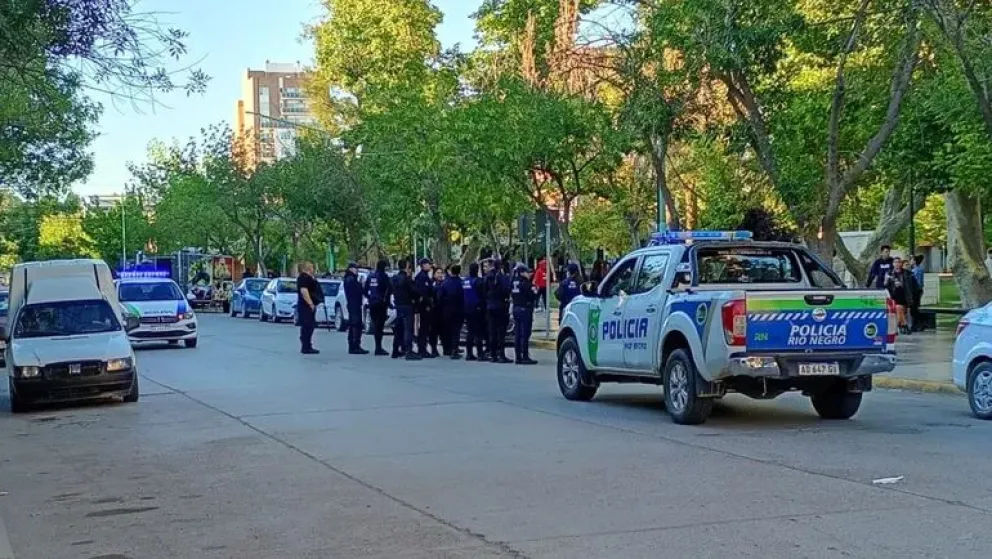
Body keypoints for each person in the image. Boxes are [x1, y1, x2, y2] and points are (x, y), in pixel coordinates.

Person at [484, 258, 512, 364]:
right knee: (501, 332)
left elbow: (484, 291)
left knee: (492, 331)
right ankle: (501, 354)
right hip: (500, 306)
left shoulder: (487, 277)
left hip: (490, 306)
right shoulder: (501, 276)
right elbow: (506, 289)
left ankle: (493, 354)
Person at [391, 259, 419, 360]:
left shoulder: (394, 279)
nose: (410, 269)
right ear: (406, 267)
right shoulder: (406, 279)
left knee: (398, 329)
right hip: (407, 305)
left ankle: (395, 350)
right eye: (409, 267)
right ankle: (408, 351)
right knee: (408, 329)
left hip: (398, 305)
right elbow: (414, 291)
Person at [511, 264, 538, 365]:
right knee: (525, 333)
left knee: (517, 334)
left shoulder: (513, 281)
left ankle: (518, 356)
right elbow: (533, 295)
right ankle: (525, 356)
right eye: (527, 272)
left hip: (516, 308)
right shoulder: (526, 283)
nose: (529, 274)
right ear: (522, 273)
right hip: (525, 309)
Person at [364, 259, 392, 356]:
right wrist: (388, 303)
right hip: (381, 304)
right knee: (380, 326)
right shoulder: (384, 276)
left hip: (372, 303)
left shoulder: (370, 276)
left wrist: (370, 298)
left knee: (376, 325)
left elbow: (365, 290)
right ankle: (378, 347)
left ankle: (377, 346)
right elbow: (389, 289)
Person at [296, 261, 323, 354]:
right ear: (306, 268)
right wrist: (310, 303)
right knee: (307, 326)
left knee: (310, 326)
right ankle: (306, 346)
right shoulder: (303, 278)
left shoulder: (309, 277)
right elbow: (304, 291)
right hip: (305, 306)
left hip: (309, 305)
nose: (313, 269)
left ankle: (308, 345)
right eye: (311, 267)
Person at [439, 264, 465, 360]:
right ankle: (454, 349)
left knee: (447, 330)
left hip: (447, 309)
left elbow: (439, 296)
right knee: (456, 330)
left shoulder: (445, 283)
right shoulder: (462, 283)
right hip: (459, 309)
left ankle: (447, 348)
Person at [462, 262, 486, 361]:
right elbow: (482, 296)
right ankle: (480, 354)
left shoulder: (465, 281)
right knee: (478, 332)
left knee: (470, 332)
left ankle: (469, 353)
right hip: (477, 309)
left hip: (466, 308)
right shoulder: (479, 281)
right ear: (477, 270)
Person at [343, 262, 368, 355]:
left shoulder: (350, 278)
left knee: (355, 324)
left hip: (353, 304)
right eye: (355, 268)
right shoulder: (351, 279)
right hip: (354, 304)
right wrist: (361, 284)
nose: (357, 270)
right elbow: (358, 291)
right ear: (350, 269)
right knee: (356, 325)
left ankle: (354, 345)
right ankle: (355, 345)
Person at [414, 258, 436, 358]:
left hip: (426, 305)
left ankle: (423, 348)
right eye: (428, 264)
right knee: (424, 328)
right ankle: (422, 349)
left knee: (425, 328)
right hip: (424, 306)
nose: (430, 266)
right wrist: (427, 305)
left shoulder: (425, 276)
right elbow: (423, 293)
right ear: (423, 265)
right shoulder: (421, 277)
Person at [885, 257, 914, 335]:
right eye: (895, 262)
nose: (897, 264)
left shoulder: (906, 273)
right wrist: (888, 281)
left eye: (898, 262)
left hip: (904, 297)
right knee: (897, 309)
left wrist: (901, 285)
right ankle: (904, 325)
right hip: (893, 297)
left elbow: (910, 286)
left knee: (898, 309)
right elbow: (886, 286)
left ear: (901, 264)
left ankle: (898, 327)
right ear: (893, 264)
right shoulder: (889, 273)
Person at [430, 267, 446, 356]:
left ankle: (446, 348)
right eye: (438, 273)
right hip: (433, 311)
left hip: (443, 311)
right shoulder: (431, 283)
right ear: (434, 274)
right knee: (433, 331)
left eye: (441, 273)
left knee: (443, 331)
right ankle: (433, 349)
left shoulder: (444, 283)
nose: (440, 275)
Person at [910, 254, 925, 332]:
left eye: (912, 260)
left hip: (915, 291)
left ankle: (918, 324)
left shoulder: (916, 270)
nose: (910, 261)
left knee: (914, 309)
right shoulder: (919, 269)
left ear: (915, 261)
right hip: (918, 290)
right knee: (914, 308)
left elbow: (917, 282)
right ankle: (917, 324)